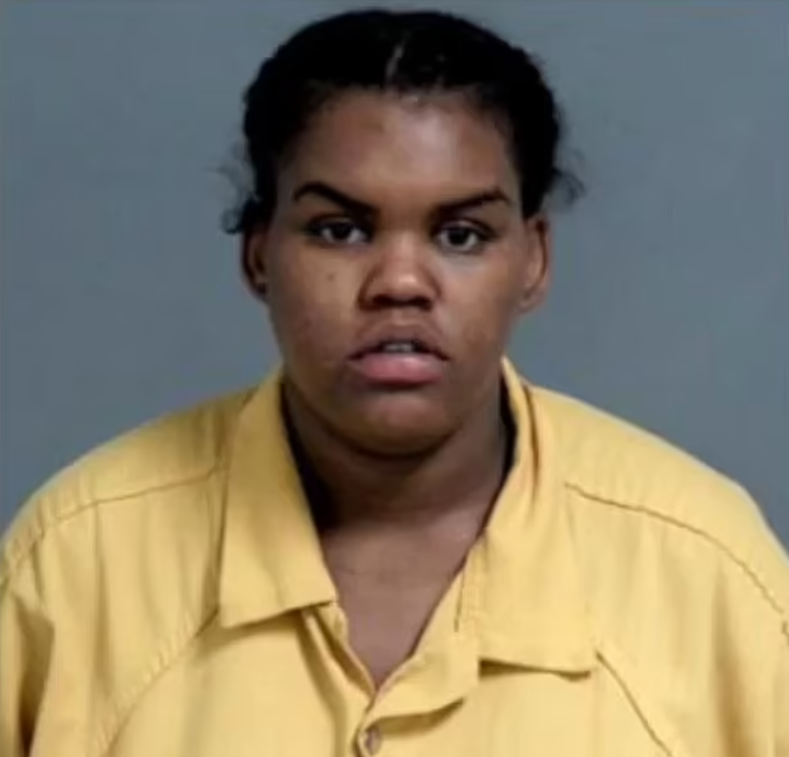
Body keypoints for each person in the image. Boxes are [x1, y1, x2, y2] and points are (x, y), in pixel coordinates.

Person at [1, 8, 787, 757]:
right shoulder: (75, 564)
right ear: (259, 255)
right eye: (339, 229)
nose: (400, 282)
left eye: (461, 235)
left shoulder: (710, 574)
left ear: (533, 259)